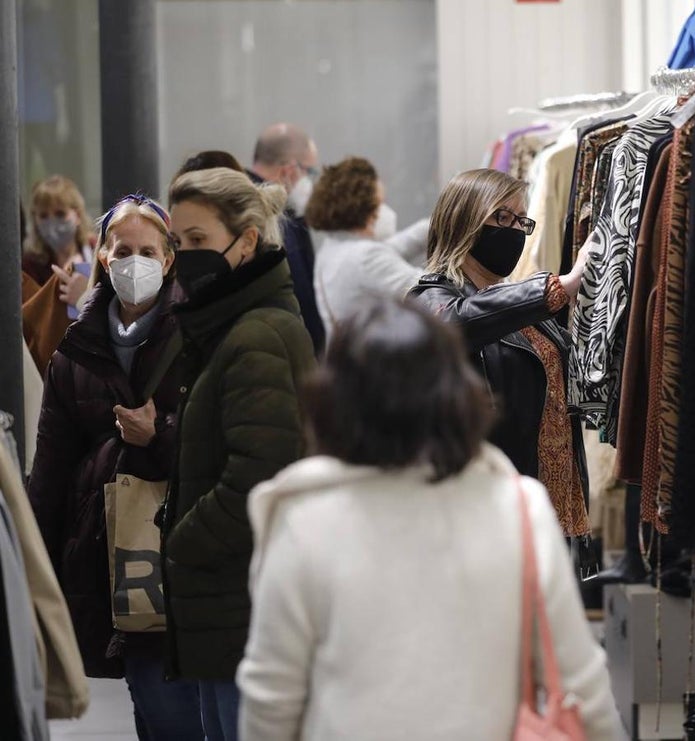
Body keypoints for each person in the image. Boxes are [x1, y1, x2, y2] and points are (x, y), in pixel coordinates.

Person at [237, 299, 622, 740]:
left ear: (333, 402)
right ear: (457, 393)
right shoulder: (517, 509)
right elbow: (580, 679)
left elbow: (272, 698)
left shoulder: (303, 521)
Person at [26, 194, 203, 740]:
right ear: (103, 256)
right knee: (146, 698)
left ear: (168, 260)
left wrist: (158, 436)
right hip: (102, 549)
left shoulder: (196, 336)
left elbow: (216, 443)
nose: (134, 263)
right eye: (122, 251)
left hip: (175, 545)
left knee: (165, 700)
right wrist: (37, 571)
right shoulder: (76, 350)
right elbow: (51, 466)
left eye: (148, 252)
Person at [163, 167, 315, 741]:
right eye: (178, 242)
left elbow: (258, 478)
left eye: (198, 239)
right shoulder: (232, 327)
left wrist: (183, 541)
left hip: (242, 601)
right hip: (231, 600)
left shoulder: (255, 336)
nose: (184, 256)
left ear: (246, 240)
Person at [409, 169, 595, 561]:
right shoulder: (430, 301)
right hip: (482, 512)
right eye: (502, 217)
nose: (514, 230)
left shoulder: (520, 306)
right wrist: (561, 286)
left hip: (547, 508)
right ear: (464, 219)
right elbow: (460, 322)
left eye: (521, 220)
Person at [307, 156, 427, 337]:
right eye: (379, 204)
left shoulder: (333, 248)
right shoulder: (365, 257)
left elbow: (393, 248)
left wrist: (434, 225)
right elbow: (429, 290)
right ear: (363, 208)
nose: (384, 212)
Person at [247, 123, 325, 354]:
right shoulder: (272, 217)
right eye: (310, 172)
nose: (311, 181)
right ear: (289, 170)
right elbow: (300, 292)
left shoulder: (246, 204)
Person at [22, 176, 98, 374]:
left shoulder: (99, 252)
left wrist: (85, 295)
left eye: (60, 213)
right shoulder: (30, 266)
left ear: (77, 215)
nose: (52, 223)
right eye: (43, 216)